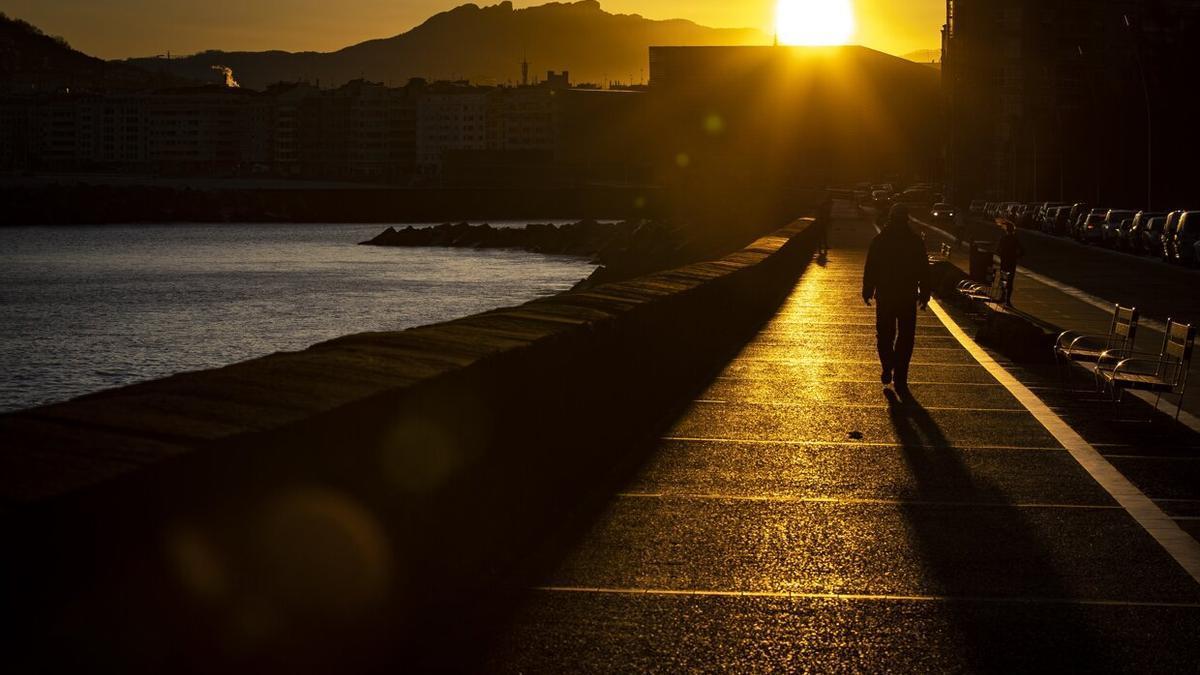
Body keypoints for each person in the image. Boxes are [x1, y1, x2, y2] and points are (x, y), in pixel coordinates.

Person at [863, 204, 930, 390]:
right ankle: (900, 374)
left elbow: (871, 267)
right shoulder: (915, 242)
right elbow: (924, 270)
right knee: (906, 336)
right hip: (907, 295)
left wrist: (868, 289)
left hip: (885, 295)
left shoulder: (880, 240)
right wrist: (925, 293)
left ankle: (887, 365)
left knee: (885, 334)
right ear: (906, 219)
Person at [996, 222, 1025, 305]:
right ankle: (1008, 300)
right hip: (1012, 262)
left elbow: (998, 250)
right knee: (1010, 281)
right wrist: (1016, 256)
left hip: (1004, 261)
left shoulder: (1003, 238)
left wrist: (1002, 256)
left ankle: (1002, 296)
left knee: (1003, 279)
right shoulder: (1015, 239)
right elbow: (1022, 251)